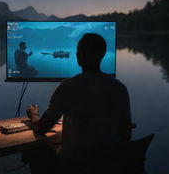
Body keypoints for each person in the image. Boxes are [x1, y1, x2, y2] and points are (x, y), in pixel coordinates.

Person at [26, 33, 132, 173]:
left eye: (78, 52)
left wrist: (33, 115)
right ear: (102, 55)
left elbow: (42, 128)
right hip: (108, 164)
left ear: (79, 57)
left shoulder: (68, 87)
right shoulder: (120, 88)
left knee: (35, 150)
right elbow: (126, 134)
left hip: (74, 165)